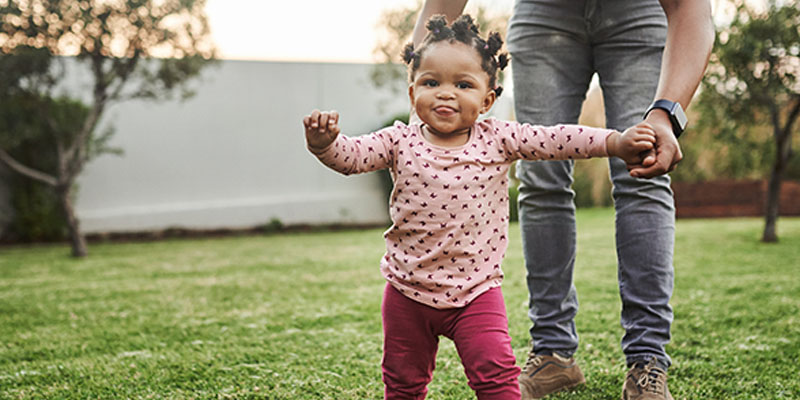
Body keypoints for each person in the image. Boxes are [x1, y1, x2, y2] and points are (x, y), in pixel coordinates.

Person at [304, 15, 658, 400]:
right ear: (411, 93)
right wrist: (325, 145)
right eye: (431, 82)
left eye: (463, 84)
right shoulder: (398, 140)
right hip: (406, 293)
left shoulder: (499, 139)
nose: (445, 93)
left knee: (497, 379)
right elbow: (352, 157)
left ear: (487, 100)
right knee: (403, 384)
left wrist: (615, 142)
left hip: (475, 295)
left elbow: (558, 138)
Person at [412, 1, 714, 400]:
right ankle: (553, 353)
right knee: (541, 178)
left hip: (640, 12)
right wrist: (423, 88)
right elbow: (440, 8)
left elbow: (691, 9)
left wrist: (665, 114)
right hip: (544, 13)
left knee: (643, 169)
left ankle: (647, 360)